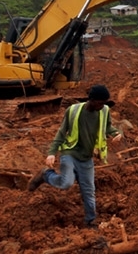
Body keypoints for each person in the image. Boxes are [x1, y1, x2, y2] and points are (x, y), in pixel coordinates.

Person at [28, 84, 122, 226]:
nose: (103, 106)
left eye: (104, 103)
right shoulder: (73, 111)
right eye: (100, 102)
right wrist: (52, 153)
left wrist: (115, 133)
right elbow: (61, 132)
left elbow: (107, 126)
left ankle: (90, 222)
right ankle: (46, 175)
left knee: (89, 191)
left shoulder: (104, 111)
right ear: (92, 99)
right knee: (66, 183)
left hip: (86, 157)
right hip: (70, 152)